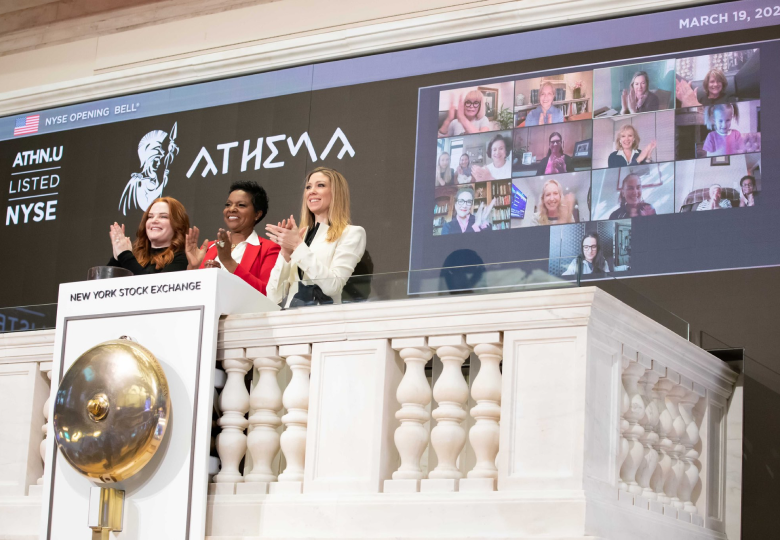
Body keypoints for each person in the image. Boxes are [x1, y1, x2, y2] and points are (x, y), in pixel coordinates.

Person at [264, 167, 366, 307]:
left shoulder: (352, 233)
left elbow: (332, 286)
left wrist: (297, 246)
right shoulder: (300, 236)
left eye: (320, 185)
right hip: (289, 321)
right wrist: (286, 253)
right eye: (308, 187)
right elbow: (272, 296)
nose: (311, 191)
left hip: (323, 321)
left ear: (336, 193)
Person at [185, 180, 281, 295]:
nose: (231, 209)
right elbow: (190, 294)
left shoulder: (269, 248)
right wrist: (193, 268)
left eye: (241, 205)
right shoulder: (210, 247)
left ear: (257, 214)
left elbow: (266, 293)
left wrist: (228, 261)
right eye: (228, 204)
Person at [108, 196, 189, 274]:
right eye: (150, 217)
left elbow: (155, 286)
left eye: (163, 216)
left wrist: (124, 255)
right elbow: (101, 285)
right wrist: (117, 258)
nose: (154, 220)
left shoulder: (182, 259)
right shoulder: (133, 257)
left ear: (178, 224)